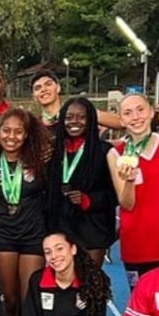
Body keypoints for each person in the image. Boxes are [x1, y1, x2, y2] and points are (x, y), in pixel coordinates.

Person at [0, 108, 50, 316]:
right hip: (2, 236)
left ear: (26, 135)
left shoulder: (40, 158)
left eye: (18, 131)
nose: (11, 136)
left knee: (29, 300)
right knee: (10, 300)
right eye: (6, 130)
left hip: (32, 236)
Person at [108, 94, 159, 290]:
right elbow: (127, 204)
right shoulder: (116, 154)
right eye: (128, 113)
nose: (135, 117)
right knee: (142, 306)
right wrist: (130, 181)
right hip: (137, 245)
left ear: (151, 112)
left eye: (140, 110)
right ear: (122, 120)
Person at [46, 97, 117, 270]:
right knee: (63, 285)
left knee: (90, 286)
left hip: (93, 230)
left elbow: (115, 195)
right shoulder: (51, 150)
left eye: (81, 117)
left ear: (91, 119)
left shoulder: (104, 150)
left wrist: (89, 200)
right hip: (60, 226)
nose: (74, 122)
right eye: (69, 117)